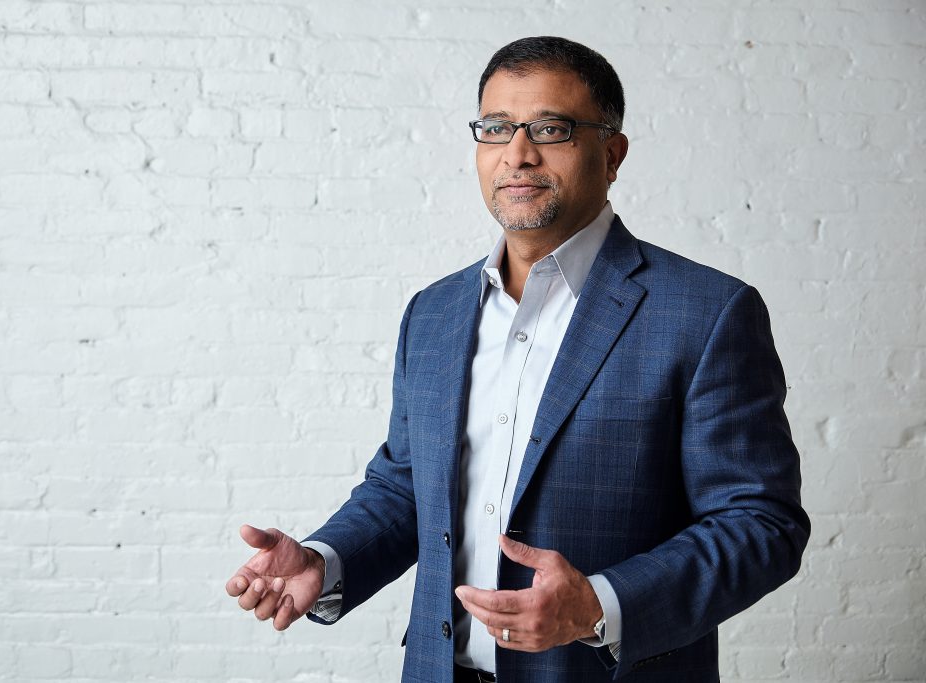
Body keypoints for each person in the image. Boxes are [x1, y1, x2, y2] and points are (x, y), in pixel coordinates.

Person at [225, 36, 810, 682]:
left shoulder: (705, 313)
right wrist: (325, 560)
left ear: (611, 154)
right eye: (496, 128)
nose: (518, 153)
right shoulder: (434, 313)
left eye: (551, 129)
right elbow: (405, 486)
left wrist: (599, 604)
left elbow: (762, 524)